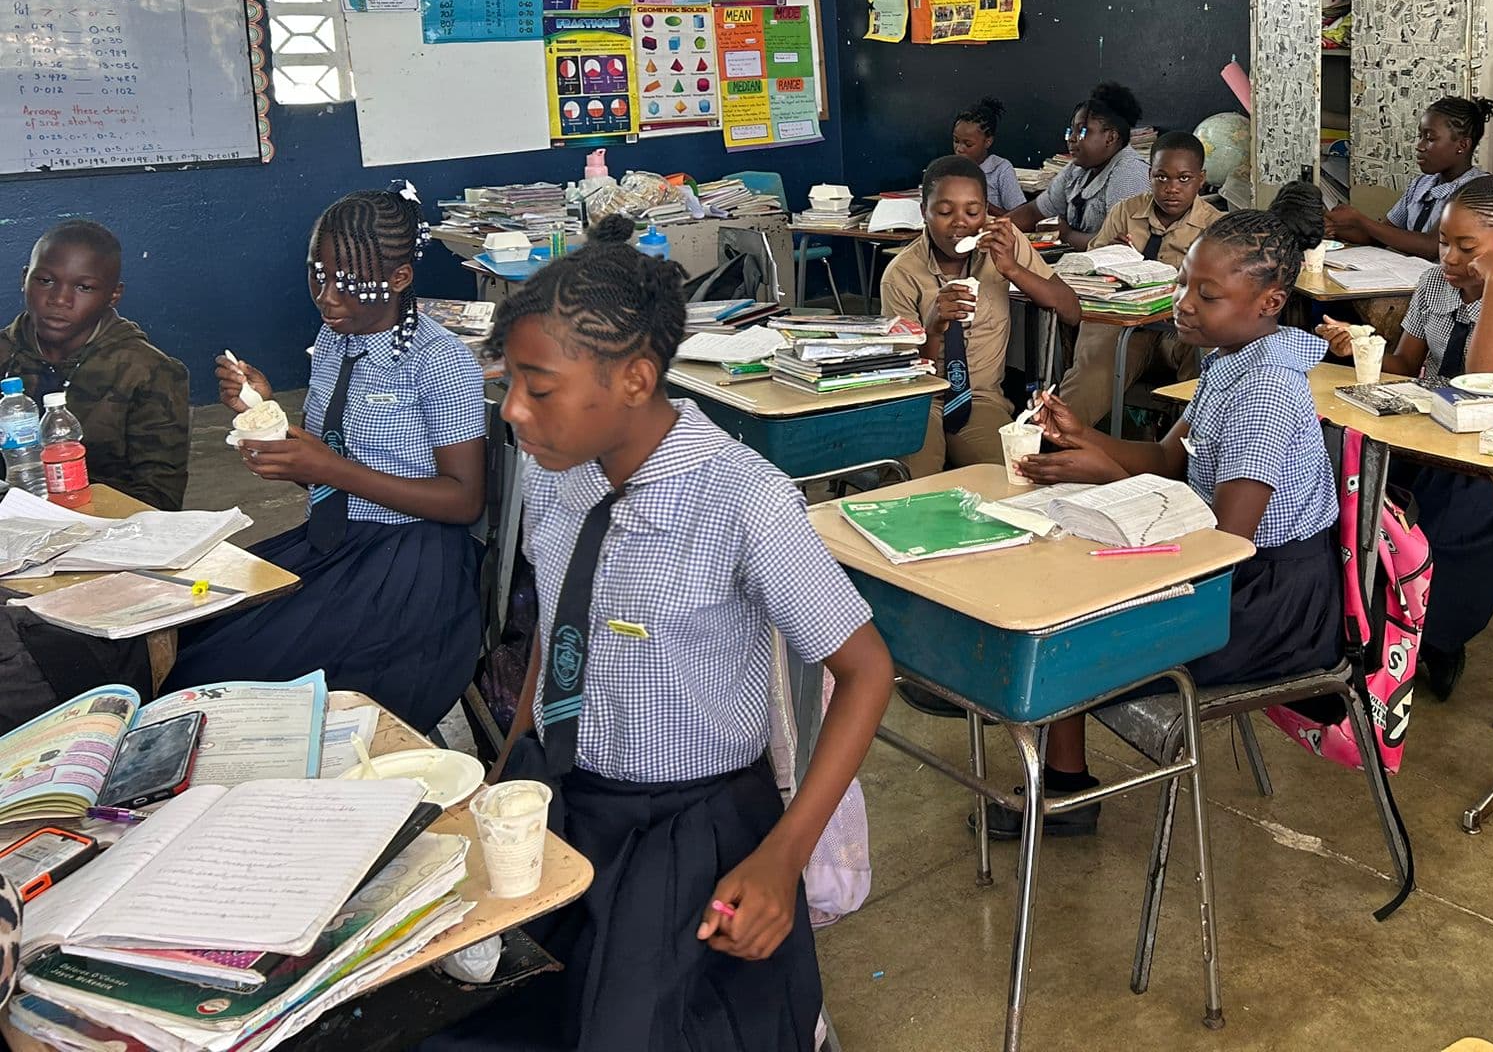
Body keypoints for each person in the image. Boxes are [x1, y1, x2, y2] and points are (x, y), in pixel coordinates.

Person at [437, 214, 892, 1052]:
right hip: (570, 793)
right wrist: (504, 779)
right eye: (508, 385)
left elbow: (866, 671)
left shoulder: (743, 500)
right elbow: (559, 636)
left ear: (637, 380)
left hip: (693, 826)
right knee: (476, 1007)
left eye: (538, 389)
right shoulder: (559, 478)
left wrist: (784, 857)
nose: (513, 414)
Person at [1009, 181, 1341, 837]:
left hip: (1267, 601)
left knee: (1066, 636)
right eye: (1185, 285)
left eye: (1206, 295)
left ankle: (1065, 797)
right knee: (1068, 593)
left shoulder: (1267, 392)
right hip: (1236, 579)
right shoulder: (1228, 360)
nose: (1183, 305)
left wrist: (1106, 476)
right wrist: (1084, 435)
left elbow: (1225, 542)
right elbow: (1169, 460)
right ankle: (1067, 782)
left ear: (1269, 303)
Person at [166, 183, 486, 734]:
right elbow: (330, 463)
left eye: (347, 282)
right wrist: (265, 415)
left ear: (399, 279)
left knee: (230, 675)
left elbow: (463, 500)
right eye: (318, 275)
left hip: (409, 562)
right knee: (190, 633)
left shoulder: (439, 362)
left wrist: (322, 469)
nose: (328, 297)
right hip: (336, 539)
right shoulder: (336, 338)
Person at [1320, 171, 1493, 700]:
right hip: (1421, 434)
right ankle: (1366, 628)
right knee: (1353, 493)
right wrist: (1356, 347)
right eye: (1444, 241)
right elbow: (1405, 363)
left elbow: (1484, 382)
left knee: (1448, 527)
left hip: (1484, 449)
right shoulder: (1431, 284)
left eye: (1466, 247)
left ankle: (1439, 639)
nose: (1448, 256)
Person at [883, 156, 1080, 475]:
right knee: (916, 476)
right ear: (924, 213)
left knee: (1012, 476)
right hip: (920, 401)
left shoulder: (1005, 245)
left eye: (973, 212)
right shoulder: (902, 275)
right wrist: (933, 329)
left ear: (986, 211)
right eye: (945, 212)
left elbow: (1071, 310)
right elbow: (903, 377)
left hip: (981, 398)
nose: (960, 222)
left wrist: (1012, 269)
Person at [0, 220, 188, 509]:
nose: (60, 299)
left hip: (105, 528)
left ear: (113, 295)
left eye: (84, 287)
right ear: (25, 278)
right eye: (45, 280)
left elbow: (160, 499)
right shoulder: (5, 354)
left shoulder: (147, 371)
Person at [1055, 131, 1219, 429]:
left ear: (1201, 179)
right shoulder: (1126, 212)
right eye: (1161, 177)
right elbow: (1089, 272)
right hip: (1123, 325)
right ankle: (1059, 441)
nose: (1171, 188)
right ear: (1149, 175)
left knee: (1208, 357)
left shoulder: (1215, 226)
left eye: (1183, 179)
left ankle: (1187, 447)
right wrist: (1115, 256)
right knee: (1092, 377)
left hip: (1176, 331)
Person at [1325, 95, 1493, 259]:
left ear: (1462, 145)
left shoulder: (1478, 190)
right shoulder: (1422, 184)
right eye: (1420, 137)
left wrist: (1360, 220)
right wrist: (1337, 228)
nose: (1420, 146)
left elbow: (1431, 247)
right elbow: (1381, 235)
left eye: (1430, 138)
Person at [1008, 82, 1149, 249]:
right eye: (1071, 131)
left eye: (1082, 131)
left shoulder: (1129, 173)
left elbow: (1120, 245)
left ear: (1110, 138)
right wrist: (992, 230)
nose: (1072, 139)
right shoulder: (1077, 169)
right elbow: (1035, 212)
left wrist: (1067, 235)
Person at [951, 96, 1027, 213]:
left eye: (968, 144)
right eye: (956, 141)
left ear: (987, 142)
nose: (959, 149)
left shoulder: (1001, 169)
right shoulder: (949, 167)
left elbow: (1020, 216)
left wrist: (984, 205)